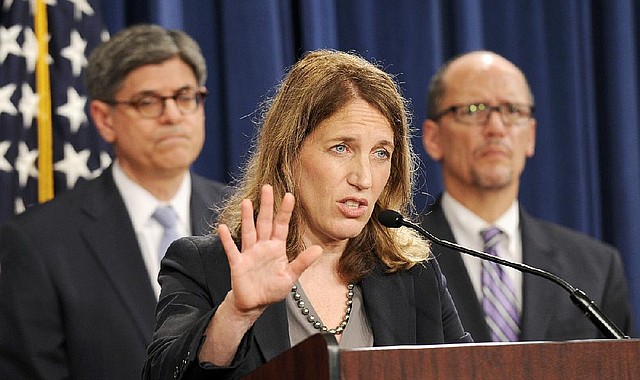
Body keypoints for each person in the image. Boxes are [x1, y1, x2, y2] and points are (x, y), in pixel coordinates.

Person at [142, 49, 472, 379]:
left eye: (380, 153)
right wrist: (236, 315)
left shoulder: (413, 276)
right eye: (341, 148)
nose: (363, 178)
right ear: (289, 154)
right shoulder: (205, 266)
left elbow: (470, 372)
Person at [0, 24, 228, 379]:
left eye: (185, 97)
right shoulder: (39, 242)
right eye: (148, 101)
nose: (172, 115)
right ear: (105, 120)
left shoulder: (246, 216)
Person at [420, 50, 634, 342]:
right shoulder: (395, 256)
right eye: (473, 110)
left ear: (530, 136)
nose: (496, 128)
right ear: (433, 138)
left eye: (512, 111)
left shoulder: (595, 267)